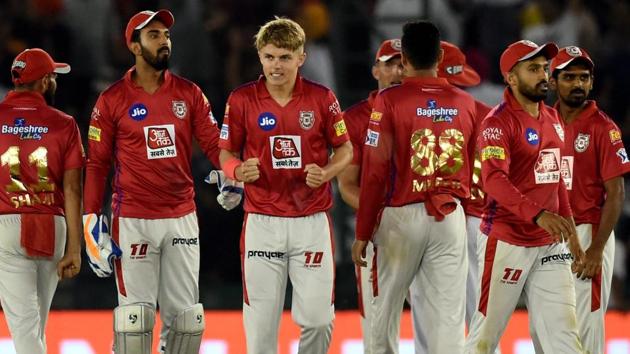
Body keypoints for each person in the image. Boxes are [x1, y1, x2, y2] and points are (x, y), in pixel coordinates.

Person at [83, 9, 222, 354]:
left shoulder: (189, 93)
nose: (164, 41)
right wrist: (90, 220)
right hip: (133, 219)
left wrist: (233, 174)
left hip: (181, 217)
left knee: (187, 324)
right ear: (134, 45)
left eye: (166, 35)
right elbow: (97, 163)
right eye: (154, 35)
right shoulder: (112, 100)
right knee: (135, 326)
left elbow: (216, 145)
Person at [218, 17, 352, 354]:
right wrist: (237, 170)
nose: (276, 66)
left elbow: (346, 149)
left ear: (300, 58)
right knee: (261, 329)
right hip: (262, 221)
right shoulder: (242, 99)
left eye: (284, 57)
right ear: (260, 56)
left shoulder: (322, 98)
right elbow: (225, 152)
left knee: (320, 320)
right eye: (270, 57)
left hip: (311, 221)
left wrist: (326, 172)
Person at [353, 21, 477, 353]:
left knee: (384, 314)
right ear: (440, 56)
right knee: (448, 322)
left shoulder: (390, 100)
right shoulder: (466, 102)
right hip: (450, 217)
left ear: (404, 59)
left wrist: (363, 231)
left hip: (401, 217)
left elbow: (375, 173)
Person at [465, 40, 585, 354]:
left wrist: (570, 233)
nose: (543, 75)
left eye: (545, 68)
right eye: (533, 69)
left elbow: (556, 176)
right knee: (484, 339)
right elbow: (493, 180)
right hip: (507, 240)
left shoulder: (553, 118)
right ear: (511, 78)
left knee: (564, 338)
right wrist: (538, 214)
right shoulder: (497, 123)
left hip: (549, 244)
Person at [409, 40, 501, 354]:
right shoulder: (489, 114)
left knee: (430, 311)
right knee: (480, 315)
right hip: (481, 221)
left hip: (438, 218)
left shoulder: (418, 113)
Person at [0, 48, 83, 354]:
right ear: (46, 81)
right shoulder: (64, 123)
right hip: (52, 225)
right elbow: (73, 189)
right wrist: (75, 247)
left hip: (6, 224)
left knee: (25, 329)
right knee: (34, 329)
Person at [550, 46, 630, 354]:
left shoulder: (603, 128)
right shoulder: (542, 123)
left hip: (588, 234)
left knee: (585, 326)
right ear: (553, 81)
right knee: (549, 324)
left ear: (592, 82)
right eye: (569, 77)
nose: (578, 84)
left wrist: (596, 249)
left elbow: (616, 193)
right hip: (549, 234)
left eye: (583, 78)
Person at [337, 38, 403, 353]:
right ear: (375, 70)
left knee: (439, 317)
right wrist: (380, 214)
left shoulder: (432, 110)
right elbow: (347, 184)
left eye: (403, 63)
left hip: (431, 223)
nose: (396, 71)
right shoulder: (354, 119)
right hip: (377, 229)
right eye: (389, 63)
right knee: (378, 322)